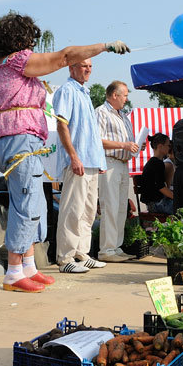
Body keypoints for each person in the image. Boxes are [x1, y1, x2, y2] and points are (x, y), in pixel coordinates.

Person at [0, 12, 129, 292]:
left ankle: (28, 266)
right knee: (26, 204)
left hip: (12, 140)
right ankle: (14, 272)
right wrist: (106, 46)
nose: (32, 48)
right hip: (20, 140)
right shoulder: (17, 61)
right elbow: (64, 56)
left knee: (34, 202)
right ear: (21, 39)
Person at [53, 59, 108, 273]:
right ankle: (65, 257)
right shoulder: (67, 90)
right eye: (84, 65)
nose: (88, 69)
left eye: (91, 66)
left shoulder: (84, 92)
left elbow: (91, 132)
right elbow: (61, 124)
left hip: (91, 161)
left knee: (88, 211)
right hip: (78, 161)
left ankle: (81, 253)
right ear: (71, 68)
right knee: (72, 210)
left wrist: (99, 160)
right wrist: (74, 157)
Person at [95, 80, 138, 262]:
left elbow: (126, 141)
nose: (126, 99)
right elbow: (96, 139)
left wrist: (135, 145)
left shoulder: (123, 116)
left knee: (121, 207)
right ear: (114, 95)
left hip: (122, 163)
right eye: (125, 95)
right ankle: (106, 249)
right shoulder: (101, 112)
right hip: (109, 161)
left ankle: (116, 246)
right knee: (110, 206)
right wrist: (123, 145)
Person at [140, 133, 173, 214]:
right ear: (160, 146)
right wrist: (176, 197)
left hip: (153, 204)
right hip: (156, 204)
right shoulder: (157, 163)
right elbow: (161, 187)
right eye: (168, 145)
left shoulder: (154, 162)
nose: (169, 148)